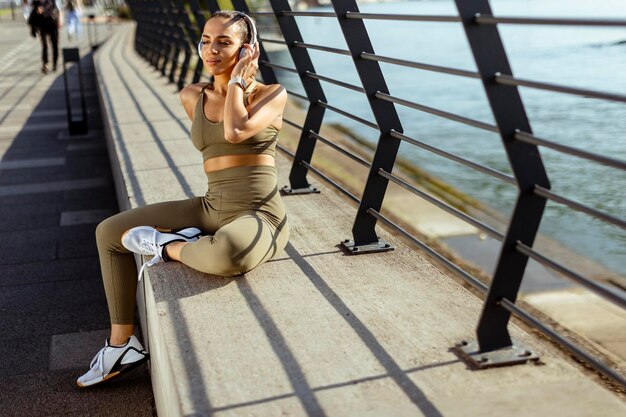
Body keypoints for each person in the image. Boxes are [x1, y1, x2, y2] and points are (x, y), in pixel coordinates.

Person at [76, 10, 290, 388]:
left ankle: (170, 247)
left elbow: (236, 129)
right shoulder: (192, 95)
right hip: (210, 207)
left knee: (228, 255)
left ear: (247, 50)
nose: (211, 49)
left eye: (224, 42)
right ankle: (121, 343)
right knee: (109, 232)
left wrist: (238, 82)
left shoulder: (272, 95)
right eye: (206, 40)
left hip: (259, 214)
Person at [28, 0, 62, 73]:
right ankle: (45, 64)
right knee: (45, 46)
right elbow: (32, 16)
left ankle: (55, 64)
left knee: (55, 45)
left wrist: (59, 20)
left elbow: (58, 9)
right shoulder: (36, 2)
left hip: (53, 24)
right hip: (42, 25)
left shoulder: (52, 1)